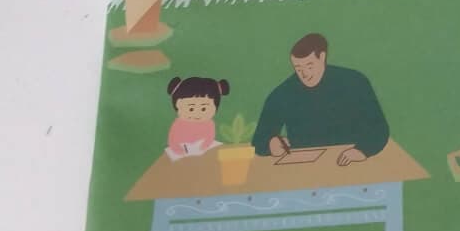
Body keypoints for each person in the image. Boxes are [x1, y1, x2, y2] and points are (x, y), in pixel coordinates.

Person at [252, 32, 390, 166]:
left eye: (309, 66)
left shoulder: (354, 82)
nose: (304, 74)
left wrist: (362, 151)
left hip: (350, 163)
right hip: (303, 171)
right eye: (298, 68)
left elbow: (379, 128)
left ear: (322, 57)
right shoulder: (282, 94)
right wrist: (271, 144)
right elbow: (259, 140)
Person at [163, 74, 229, 161]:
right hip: (182, 154)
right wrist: (178, 150)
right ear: (177, 105)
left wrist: (204, 146)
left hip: (204, 154)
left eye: (203, 108)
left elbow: (209, 137)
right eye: (191, 108)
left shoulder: (209, 123)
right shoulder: (178, 124)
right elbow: (172, 141)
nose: (197, 114)